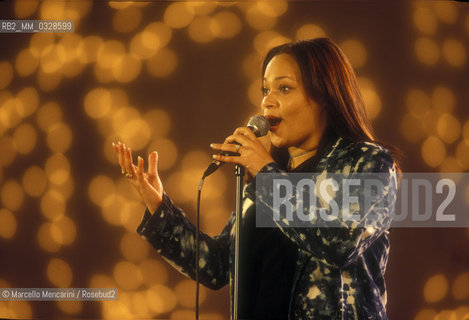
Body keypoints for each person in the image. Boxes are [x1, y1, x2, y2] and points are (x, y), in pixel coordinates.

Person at [113, 38, 400, 319]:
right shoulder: (271, 178)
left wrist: (266, 173)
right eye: (265, 90)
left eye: (284, 89)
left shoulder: (368, 162)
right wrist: (159, 208)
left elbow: (339, 242)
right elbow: (215, 265)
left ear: (323, 96)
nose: (267, 103)